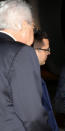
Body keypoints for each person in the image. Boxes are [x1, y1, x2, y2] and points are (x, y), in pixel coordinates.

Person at [0, 0, 50, 131]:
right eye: (33, 27)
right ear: (22, 24)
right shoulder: (22, 52)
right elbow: (32, 115)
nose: (33, 32)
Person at [33, 29, 59, 131]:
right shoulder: (29, 80)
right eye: (46, 49)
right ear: (36, 50)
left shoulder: (37, 77)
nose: (49, 53)